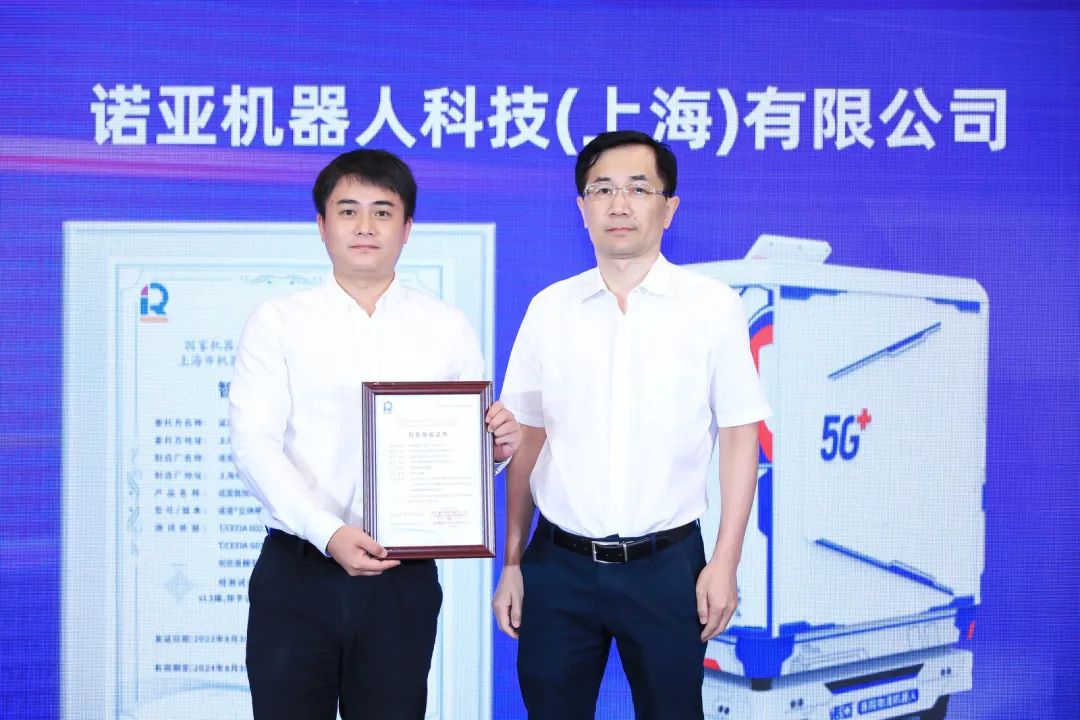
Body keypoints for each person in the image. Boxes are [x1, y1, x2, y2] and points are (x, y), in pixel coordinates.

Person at [230, 149, 520, 720]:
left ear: (407, 228)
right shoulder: (278, 321)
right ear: (321, 225)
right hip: (298, 569)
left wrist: (491, 452)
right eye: (348, 210)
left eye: (383, 212)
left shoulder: (445, 326)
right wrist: (328, 532)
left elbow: (463, 446)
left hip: (401, 578)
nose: (365, 226)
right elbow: (253, 445)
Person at [492, 130, 771, 719]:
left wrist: (725, 562)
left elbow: (740, 437)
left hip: (667, 567)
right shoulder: (550, 309)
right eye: (602, 190)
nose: (619, 204)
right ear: (582, 208)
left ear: (668, 208)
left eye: (638, 189)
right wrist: (512, 562)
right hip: (558, 566)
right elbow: (526, 440)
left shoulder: (711, 306)